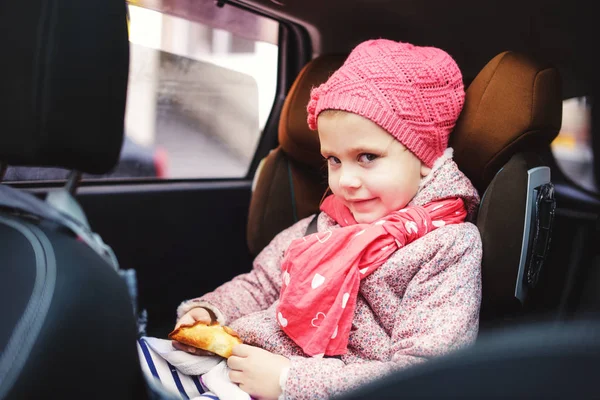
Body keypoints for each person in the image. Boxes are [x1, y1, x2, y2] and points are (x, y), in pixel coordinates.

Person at [173, 39, 482, 400]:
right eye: (334, 160)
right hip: (242, 368)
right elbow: (260, 285)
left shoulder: (446, 247)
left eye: (367, 156)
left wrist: (290, 381)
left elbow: (426, 377)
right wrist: (210, 312)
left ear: (425, 159)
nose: (345, 181)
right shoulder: (322, 226)